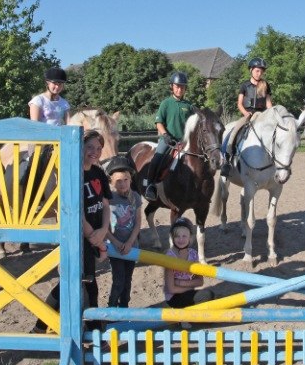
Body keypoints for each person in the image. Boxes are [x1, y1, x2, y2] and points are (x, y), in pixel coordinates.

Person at [39, 130, 110, 332]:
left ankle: (40, 324)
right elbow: (75, 210)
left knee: (74, 283)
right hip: (78, 236)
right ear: (80, 147)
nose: (94, 152)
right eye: (90, 147)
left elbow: (105, 205)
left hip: (95, 234)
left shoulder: (99, 173)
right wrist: (92, 236)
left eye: (98, 149)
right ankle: (94, 331)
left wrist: (103, 230)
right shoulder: (73, 173)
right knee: (86, 285)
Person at [141, 72, 194, 201]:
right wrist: (165, 135)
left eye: (182, 87)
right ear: (172, 87)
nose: (179, 89)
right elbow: (159, 122)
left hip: (184, 141)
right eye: (177, 86)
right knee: (157, 158)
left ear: (185, 88)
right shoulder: (166, 103)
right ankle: (150, 186)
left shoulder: (189, 106)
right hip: (168, 140)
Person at [221, 58, 274, 175]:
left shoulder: (266, 85)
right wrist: (245, 113)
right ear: (251, 70)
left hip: (261, 115)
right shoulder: (245, 85)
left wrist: (272, 115)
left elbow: (268, 103)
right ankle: (227, 159)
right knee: (234, 132)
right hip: (248, 115)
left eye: (261, 71)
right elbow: (239, 103)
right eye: (257, 71)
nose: (259, 73)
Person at [104, 156, 141, 308]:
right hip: (115, 247)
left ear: (130, 180)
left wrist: (130, 242)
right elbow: (104, 226)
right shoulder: (109, 199)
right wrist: (116, 242)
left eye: (126, 179)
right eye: (118, 180)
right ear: (111, 181)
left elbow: (138, 222)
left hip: (131, 246)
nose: (123, 183)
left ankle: (124, 308)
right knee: (118, 280)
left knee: (128, 281)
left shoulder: (136, 197)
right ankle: (112, 308)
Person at [163, 217, 213, 324]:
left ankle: (184, 316)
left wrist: (182, 283)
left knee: (209, 295)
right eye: (177, 236)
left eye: (184, 236)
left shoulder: (193, 254)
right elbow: (171, 288)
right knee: (206, 297)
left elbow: (200, 281)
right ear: (172, 237)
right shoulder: (169, 256)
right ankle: (182, 316)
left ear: (190, 237)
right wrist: (188, 286)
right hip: (174, 297)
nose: (181, 239)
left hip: (187, 292)